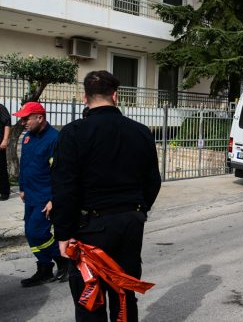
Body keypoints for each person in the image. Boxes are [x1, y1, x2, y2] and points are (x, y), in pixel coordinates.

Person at [51, 70, 161, 322]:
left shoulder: (73, 133)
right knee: (124, 293)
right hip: (130, 223)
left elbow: (64, 187)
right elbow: (153, 180)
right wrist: (140, 210)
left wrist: (63, 234)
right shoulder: (141, 131)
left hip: (90, 229)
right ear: (115, 96)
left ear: (84, 98)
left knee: (90, 297)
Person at [13, 102, 69, 287]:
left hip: (45, 197)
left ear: (40, 117)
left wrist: (54, 199)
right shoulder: (28, 137)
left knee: (37, 232)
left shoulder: (55, 139)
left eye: (26, 118)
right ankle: (45, 268)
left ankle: (63, 260)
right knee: (31, 234)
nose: (22, 122)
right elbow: (26, 165)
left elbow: (61, 173)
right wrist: (22, 187)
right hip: (30, 195)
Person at [0, 103, 11, 200]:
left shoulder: (1, 108)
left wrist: (5, 139)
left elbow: (7, 124)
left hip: (0, 143)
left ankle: (4, 192)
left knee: (1, 168)